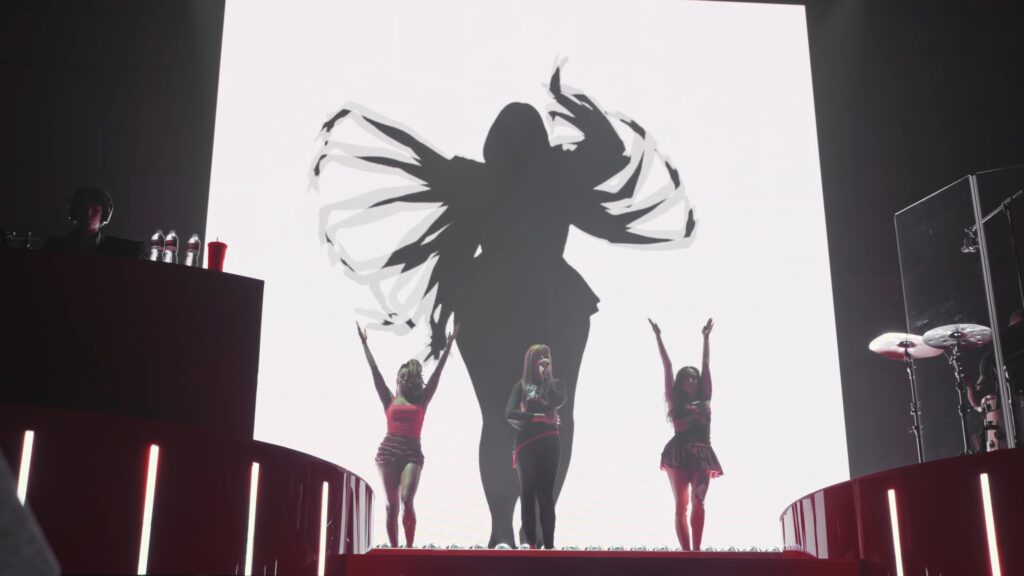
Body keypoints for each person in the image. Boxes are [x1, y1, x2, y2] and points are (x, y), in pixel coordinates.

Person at [314, 65, 696, 547]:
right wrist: (572, 114)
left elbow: (449, 218)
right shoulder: (555, 177)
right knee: (556, 418)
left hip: (488, 303)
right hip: (552, 301)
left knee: (498, 420)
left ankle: (504, 527)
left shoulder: (480, 181)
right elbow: (610, 151)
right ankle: (536, 525)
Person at [358, 322, 458, 548]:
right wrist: (365, 344)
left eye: (407, 378)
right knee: (391, 506)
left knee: (407, 501)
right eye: (401, 377)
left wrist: (449, 344)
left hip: (412, 451)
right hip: (388, 452)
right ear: (397, 380)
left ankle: (409, 547)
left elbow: (437, 374)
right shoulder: (389, 399)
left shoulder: (422, 400)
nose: (403, 381)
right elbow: (375, 373)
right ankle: (395, 549)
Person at [650, 317, 722, 551]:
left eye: (694, 377)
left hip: (702, 453)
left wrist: (706, 338)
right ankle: (686, 553)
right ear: (680, 383)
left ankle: (697, 552)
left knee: (699, 500)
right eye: (687, 377)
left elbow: (706, 365)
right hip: (679, 453)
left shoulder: (705, 399)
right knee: (681, 507)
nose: (692, 380)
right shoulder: (675, 401)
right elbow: (667, 366)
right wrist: (658, 337)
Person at [505, 344, 566, 549]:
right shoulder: (520, 387)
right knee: (527, 495)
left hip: (550, 442)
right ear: (530, 360)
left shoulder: (556, 384)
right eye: (538, 356)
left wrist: (545, 378)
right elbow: (510, 413)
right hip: (526, 444)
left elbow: (557, 400)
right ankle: (531, 547)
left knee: (546, 495)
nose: (542, 359)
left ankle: (549, 548)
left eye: (545, 356)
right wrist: (539, 416)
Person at [44, 187, 142, 258]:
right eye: (84, 208)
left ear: (104, 214)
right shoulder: (55, 246)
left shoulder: (118, 251)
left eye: (95, 209)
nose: (88, 213)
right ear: (75, 210)